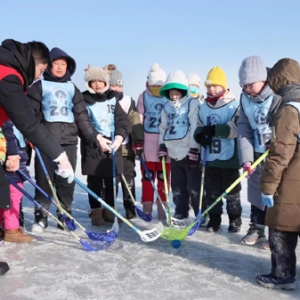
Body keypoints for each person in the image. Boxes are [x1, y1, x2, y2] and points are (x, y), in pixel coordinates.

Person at [0, 39, 74, 276]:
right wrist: (59, 156)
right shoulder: (8, 76)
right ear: (34, 62)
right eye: (41, 70)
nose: (37, 77)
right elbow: (28, 124)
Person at [27, 47, 102, 232]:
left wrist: (91, 136)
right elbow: (31, 114)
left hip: (69, 141)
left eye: (63, 64)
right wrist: (33, 137)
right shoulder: (39, 86)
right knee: (45, 179)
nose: (59, 67)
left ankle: (65, 215)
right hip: (46, 140)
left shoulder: (72, 88)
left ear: (68, 66)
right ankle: (41, 216)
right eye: (55, 64)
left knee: (66, 180)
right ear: (48, 66)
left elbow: (81, 115)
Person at [256, 58, 300, 290]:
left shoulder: (288, 110)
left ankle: (282, 275)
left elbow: (280, 154)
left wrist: (267, 186)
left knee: (281, 227)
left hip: (290, 182)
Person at [237, 56, 281, 247]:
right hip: (256, 153)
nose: (247, 89)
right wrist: (246, 159)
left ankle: (276, 233)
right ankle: (257, 228)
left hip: (276, 154)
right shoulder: (245, 99)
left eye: (251, 84)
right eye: (244, 85)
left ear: (263, 79)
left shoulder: (278, 96)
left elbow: (285, 124)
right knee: (256, 192)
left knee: (276, 193)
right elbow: (244, 129)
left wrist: (277, 142)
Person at [194, 67, 242, 232]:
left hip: (229, 158)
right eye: (208, 86)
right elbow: (199, 125)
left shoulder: (234, 105)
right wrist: (199, 135)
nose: (211, 89)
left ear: (224, 86)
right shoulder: (203, 106)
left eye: (215, 85)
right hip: (210, 157)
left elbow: (236, 128)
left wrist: (214, 130)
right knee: (212, 191)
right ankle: (214, 219)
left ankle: (235, 219)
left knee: (232, 191)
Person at [81, 64, 129, 225]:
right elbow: (83, 123)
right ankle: (95, 211)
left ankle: (110, 211)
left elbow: (122, 121)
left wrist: (119, 138)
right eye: (93, 81)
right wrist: (97, 139)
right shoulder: (84, 100)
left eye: (100, 81)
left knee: (112, 180)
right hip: (93, 145)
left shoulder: (113, 99)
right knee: (94, 181)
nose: (97, 84)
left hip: (112, 144)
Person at [159, 70, 201, 220]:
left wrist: (194, 148)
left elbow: (194, 125)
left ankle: (199, 213)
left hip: (189, 151)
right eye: (171, 93)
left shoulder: (192, 103)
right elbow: (163, 127)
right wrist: (162, 146)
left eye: (177, 93)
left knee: (194, 187)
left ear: (183, 91)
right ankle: (181, 211)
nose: (174, 96)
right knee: (177, 186)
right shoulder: (166, 107)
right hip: (173, 151)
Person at [107, 65, 144, 219]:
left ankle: (130, 208)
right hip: (109, 148)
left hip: (126, 149)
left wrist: (138, 141)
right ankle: (111, 210)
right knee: (111, 180)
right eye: (113, 85)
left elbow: (135, 120)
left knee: (128, 179)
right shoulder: (104, 101)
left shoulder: (129, 101)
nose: (116, 88)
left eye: (119, 85)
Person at [137, 63, 170, 219]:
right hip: (148, 147)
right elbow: (139, 120)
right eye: (154, 84)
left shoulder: (170, 97)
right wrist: (138, 141)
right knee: (148, 178)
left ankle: (163, 208)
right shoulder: (143, 97)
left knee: (164, 179)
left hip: (165, 147)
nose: (156, 88)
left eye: (159, 85)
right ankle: (147, 208)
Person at [0, 120, 33, 242]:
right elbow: (8, 133)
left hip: (14, 159)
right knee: (12, 196)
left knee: (6, 196)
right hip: (10, 164)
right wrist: (13, 155)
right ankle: (12, 230)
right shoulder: (6, 115)